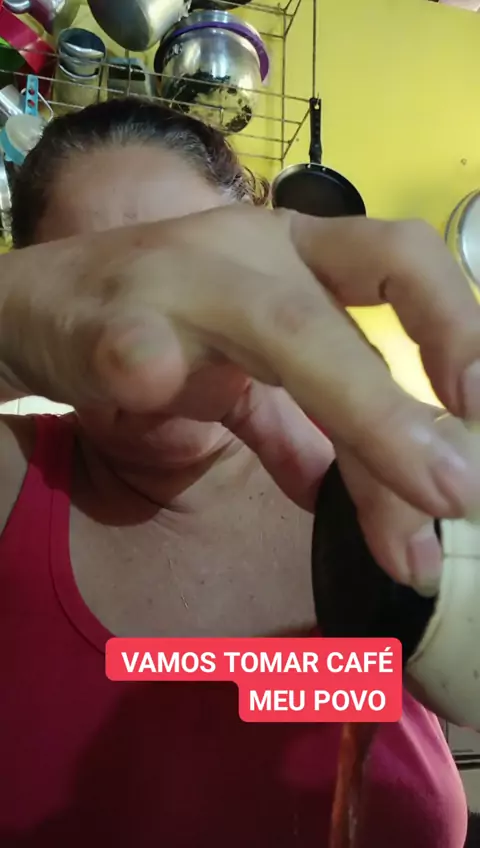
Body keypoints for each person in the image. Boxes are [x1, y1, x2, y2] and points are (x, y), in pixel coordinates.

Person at [0, 97, 475, 847]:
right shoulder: (15, 482)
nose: (155, 327)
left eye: (191, 274)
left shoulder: (386, 482)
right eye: (101, 290)